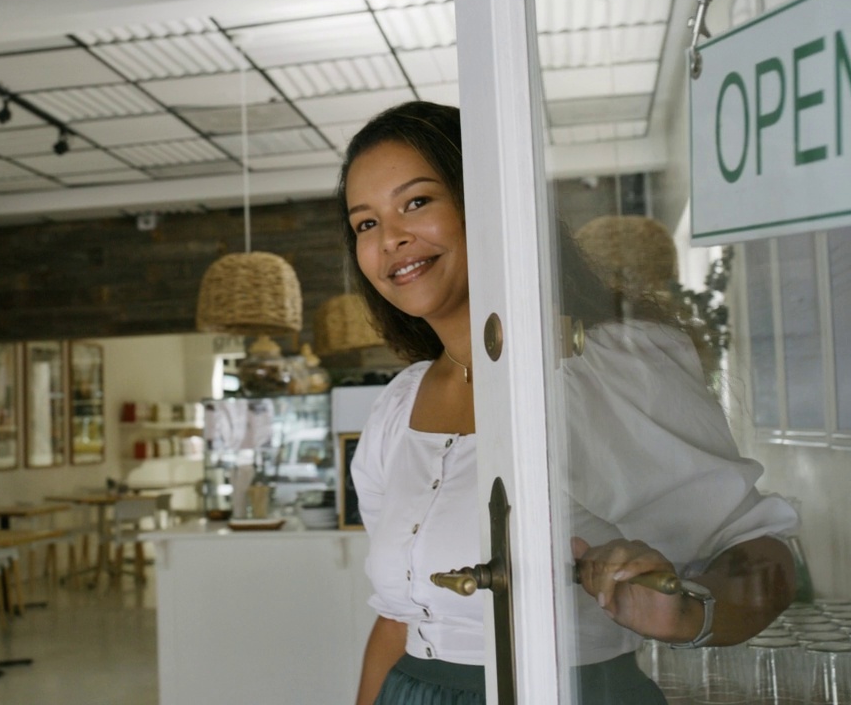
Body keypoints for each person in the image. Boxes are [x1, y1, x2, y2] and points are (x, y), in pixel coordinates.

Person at [340, 101, 798, 705]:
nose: (392, 238)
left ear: (489, 200)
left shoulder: (601, 366)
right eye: (365, 223)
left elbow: (762, 553)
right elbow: (399, 620)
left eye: (417, 202)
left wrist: (688, 613)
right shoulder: (396, 409)